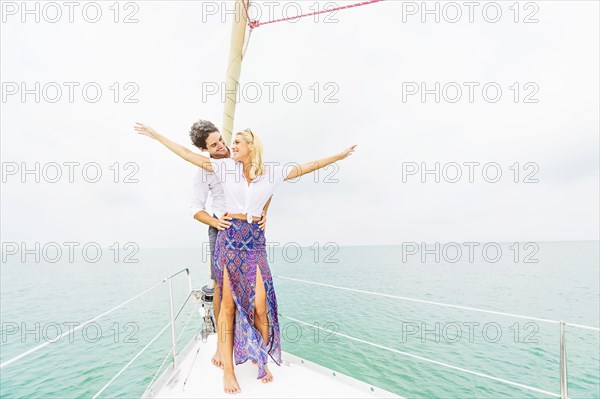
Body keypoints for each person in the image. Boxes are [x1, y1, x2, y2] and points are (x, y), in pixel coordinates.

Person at [134, 122, 356, 394]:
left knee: (261, 306)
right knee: (227, 303)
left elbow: (306, 167)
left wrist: (339, 156)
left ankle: (261, 357)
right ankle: (228, 370)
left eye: (235, 143)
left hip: (255, 241)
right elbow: (187, 155)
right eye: (225, 143)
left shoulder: (271, 172)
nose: (229, 146)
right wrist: (156, 135)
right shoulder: (225, 168)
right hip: (229, 237)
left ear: (251, 147)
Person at [187, 120, 271, 369]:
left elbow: (265, 187)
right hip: (220, 229)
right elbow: (194, 208)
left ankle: (255, 346)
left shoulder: (239, 159)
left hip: (248, 232)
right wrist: (214, 221)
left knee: (257, 296)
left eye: (222, 140)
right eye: (214, 145)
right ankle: (219, 346)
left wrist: (265, 213)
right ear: (205, 150)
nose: (222, 146)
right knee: (221, 288)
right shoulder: (204, 170)